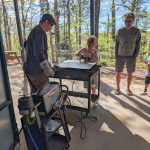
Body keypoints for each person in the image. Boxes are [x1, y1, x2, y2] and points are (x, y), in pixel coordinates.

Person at [24, 14, 56, 93]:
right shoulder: (40, 32)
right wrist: (48, 70)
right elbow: (39, 53)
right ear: (46, 22)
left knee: (35, 94)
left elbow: (26, 46)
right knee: (45, 94)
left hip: (29, 69)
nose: (51, 28)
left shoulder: (34, 31)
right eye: (51, 25)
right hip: (37, 71)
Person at [115, 12, 141, 96]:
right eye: (126, 21)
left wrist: (135, 56)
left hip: (131, 56)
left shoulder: (136, 31)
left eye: (129, 21)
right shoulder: (120, 31)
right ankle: (118, 88)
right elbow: (117, 43)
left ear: (132, 21)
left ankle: (128, 89)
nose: (127, 23)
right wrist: (116, 55)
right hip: (120, 55)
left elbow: (138, 44)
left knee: (130, 73)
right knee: (118, 72)